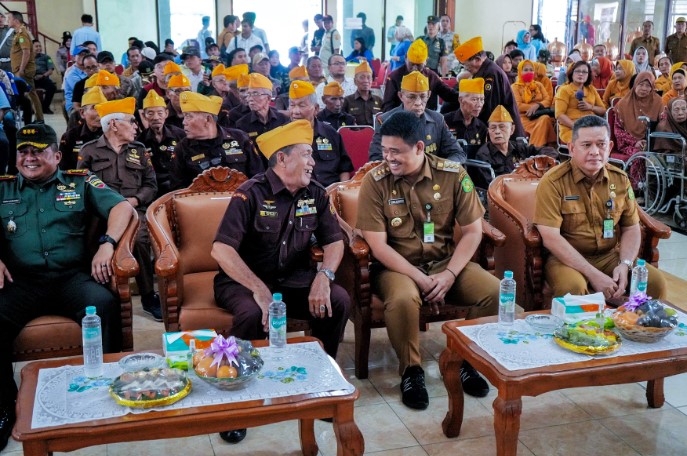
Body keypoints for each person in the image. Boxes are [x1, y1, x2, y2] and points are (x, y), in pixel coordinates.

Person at [212, 119, 350, 444]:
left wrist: (324, 276)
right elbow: (221, 249)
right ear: (282, 159)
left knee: (339, 299)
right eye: (306, 154)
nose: (313, 162)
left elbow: (334, 241)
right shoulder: (249, 194)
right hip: (244, 282)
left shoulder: (314, 193)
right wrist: (258, 288)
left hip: (293, 280)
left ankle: (320, 380)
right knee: (248, 315)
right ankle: (237, 402)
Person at [0, 124, 132, 452]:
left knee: (104, 305)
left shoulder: (80, 181)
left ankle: (106, 391)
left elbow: (122, 208)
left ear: (56, 156)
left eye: (38, 151)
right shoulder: (2, 188)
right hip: (21, 282)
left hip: (71, 278)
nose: (29, 158)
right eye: (23, 152)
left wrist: (107, 243)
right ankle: (4, 407)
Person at [357, 110, 499, 409]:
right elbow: (378, 246)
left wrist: (449, 274)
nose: (388, 158)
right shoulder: (375, 181)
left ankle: (465, 359)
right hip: (396, 266)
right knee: (404, 298)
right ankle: (411, 370)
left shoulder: (452, 174)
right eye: (385, 150)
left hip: (445, 263)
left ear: (419, 148)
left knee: (494, 291)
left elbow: (473, 232)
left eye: (396, 152)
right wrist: (420, 278)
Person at [534, 115, 667, 301]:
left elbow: (631, 226)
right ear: (572, 148)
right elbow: (551, 238)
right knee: (573, 287)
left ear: (610, 147)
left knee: (655, 282)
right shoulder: (553, 182)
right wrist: (592, 274)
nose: (595, 151)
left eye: (601, 144)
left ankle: (632, 328)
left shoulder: (620, 179)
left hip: (609, 256)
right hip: (567, 259)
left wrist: (625, 264)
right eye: (586, 145)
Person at [78, 97, 162, 321]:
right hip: (100, 213)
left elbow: (151, 185)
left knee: (142, 238)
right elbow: (80, 185)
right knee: (89, 237)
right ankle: (98, 290)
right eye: (131, 121)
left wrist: (134, 201)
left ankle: (147, 295)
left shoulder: (139, 150)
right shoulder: (89, 152)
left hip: (135, 210)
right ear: (114, 124)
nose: (136, 126)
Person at [170, 91, 263, 188]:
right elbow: (178, 189)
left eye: (189, 117)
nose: (184, 122)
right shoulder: (182, 149)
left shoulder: (240, 138)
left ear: (208, 119)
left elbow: (258, 176)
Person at [370, 71, 465, 163]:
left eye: (423, 96)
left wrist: (440, 170)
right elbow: (376, 159)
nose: (418, 103)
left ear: (429, 95)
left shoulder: (437, 120)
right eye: (411, 97)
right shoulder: (385, 121)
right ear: (401, 96)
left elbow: (457, 153)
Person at [454, 36, 525, 137]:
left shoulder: (491, 74)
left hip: (506, 133)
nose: (466, 69)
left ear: (477, 60)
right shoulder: (485, 70)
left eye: (466, 65)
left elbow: (488, 108)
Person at [289, 80, 353, 186]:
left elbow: (344, 168)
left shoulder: (331, 134)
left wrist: (341, 190)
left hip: (329, 192)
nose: (296, 111)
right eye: (292, 105)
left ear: (316, 109)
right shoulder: (281, 137)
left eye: (302, 106)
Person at [474, 105, 556, 186]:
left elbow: (550, 151)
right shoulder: (484, 155)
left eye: (502, 127)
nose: (497, 131)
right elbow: (491, 186)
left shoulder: (518, 148)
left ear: (512, 130)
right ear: (488, 131)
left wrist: (536, 162)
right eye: (493, 128)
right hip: (500, 194)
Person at [613, 72, 663, 186]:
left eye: (648, 85)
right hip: (628, 143)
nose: (644, 89)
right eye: (641, 84)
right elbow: (618, 131)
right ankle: (637, 189)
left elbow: (663, 124)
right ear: (635, 85)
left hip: (652, 141)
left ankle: (657, 190)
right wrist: (635, 142)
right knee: (640, 155)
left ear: (652, 87)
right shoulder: (623, 104)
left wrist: (652, 141)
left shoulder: (658, 102)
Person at [382, 39, 458, 112]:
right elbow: (387, 106)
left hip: (427, 119)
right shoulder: (394, 77)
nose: (415, 68)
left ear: (426, 61)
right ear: (405, 58)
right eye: (412, 64)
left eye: (419, 65)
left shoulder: (431, 77)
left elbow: (450, 95)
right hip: (401, 118)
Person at [137, 90, 186, 196]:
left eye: (160, 113)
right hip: (154, 187)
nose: (156, 117)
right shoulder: (139, 141)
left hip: (178, 185)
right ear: (144, 116)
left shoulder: (180, 135)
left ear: (166, 113)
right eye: (150, 113)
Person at [555, 60, 606, 144]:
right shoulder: (564, 90)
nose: (581, 74)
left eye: (584, 72)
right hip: (571, 128)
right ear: (572, 73)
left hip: (591, 126)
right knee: (586, 141)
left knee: (603, 140)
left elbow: (603, 110)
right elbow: (559, 115)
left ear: (588, 75)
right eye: (578, 71)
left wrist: (591, 107)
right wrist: (577, 127)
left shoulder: (591, 89)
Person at [58, 86, 106, 170]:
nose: (100, 113)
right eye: (95, 108)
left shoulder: (112, 134)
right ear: (82, 113)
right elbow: (63, 168)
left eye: (103, 108)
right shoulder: (70, 136)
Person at [511, 59, 556, 147]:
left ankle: (534, 147)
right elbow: (518, 105)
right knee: (545, 119)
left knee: (545, 118)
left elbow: (548, 100)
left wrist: (537, 105)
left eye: (531, 70)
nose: (529, 72)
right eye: (526, 70)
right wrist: (531, 108)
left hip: (539, 114)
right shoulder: (515, 87)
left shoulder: (538, 85)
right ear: (520, 71)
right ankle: (546, 146)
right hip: (524, 117)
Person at [8, 11, 43, 123]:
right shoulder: (18, 33)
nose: (7, 21)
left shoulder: (22, 33)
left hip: (23, 70)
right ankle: (36, 117)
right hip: (19, 69)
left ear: (16, 20)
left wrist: (21, 69)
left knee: (31, 93)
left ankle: (39, 119)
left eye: (9, 19)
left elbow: (26, 52)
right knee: (30, 94)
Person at [235, 73, 289, 142]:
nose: (250, 98)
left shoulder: (283, 120)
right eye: (249, 94)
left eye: (255, 94)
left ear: (268, 98)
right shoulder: (242, 124)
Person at [443, 78, 488, 158]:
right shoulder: (445, 121)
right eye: (474, 99)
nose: (479, 104)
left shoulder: (481, 127)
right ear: (461, 100)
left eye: (482, 100)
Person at [343, 61, 382, 126]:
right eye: (362, 77)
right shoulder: (347, 101)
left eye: (368, 78)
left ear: (372, 81)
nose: (366, 81)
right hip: (355, 135)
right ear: (355, 81)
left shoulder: (379, 100)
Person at [32, 40, 56, 114]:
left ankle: (44, 108)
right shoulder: (27, 58)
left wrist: (43, 75)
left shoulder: (46, 57)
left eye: (40, 46)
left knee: (52, 87)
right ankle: (30, 109)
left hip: (43, 77)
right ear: (31, 47)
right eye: (36, 46)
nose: (39, 48)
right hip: (31, 79)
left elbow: (50, 70)